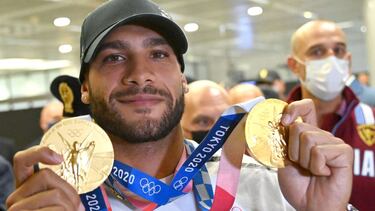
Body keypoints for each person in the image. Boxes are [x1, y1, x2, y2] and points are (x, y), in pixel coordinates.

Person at [6, 1, 353, 210]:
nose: (140, 74)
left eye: (158, 55)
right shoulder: (58, 201)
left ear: (183, 81)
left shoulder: (271, 190)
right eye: (114, 57)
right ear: (83, 88)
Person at [286, 20, 375, 211]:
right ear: (294, 65)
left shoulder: (371, 121)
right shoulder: (274, 128)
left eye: (339, 50)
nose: (331, 59)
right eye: (317, 51)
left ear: (348, 61)